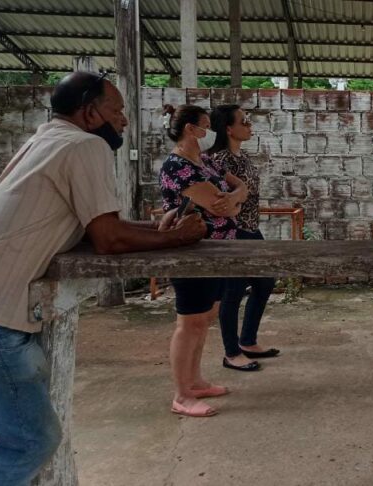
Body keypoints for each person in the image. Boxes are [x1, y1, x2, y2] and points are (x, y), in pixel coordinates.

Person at [0, 72, 205, 485]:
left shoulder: (45, 139)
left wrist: (156, 232)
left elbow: (100, 225)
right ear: (90, 113)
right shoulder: (86, 146)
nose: (124, 121)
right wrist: (178, 237)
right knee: (33, 441)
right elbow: (108, 239)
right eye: (118, 111)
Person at [160, 104, 250, 416]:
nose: (208, 132)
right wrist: (233, 204)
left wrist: (234, 199)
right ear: (190, 129)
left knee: (206, 317)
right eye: (204, 126)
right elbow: (220, 206)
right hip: (191, 252)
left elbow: (241, 187)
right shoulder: (177, 167)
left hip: (219, 249)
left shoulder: (205, 160)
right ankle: (182, 395)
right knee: (190, 322)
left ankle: (195, 381)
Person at [206, 105, 279, 370]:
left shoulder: (242, 157)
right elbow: (214, 201)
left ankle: (247, 341)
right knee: (232, 292)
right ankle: (231, 353)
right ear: (228, 128)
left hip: (249, 228)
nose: (249, 125)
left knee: (265, 283)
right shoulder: (217, 160)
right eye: (244, 122)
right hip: (230, 232)